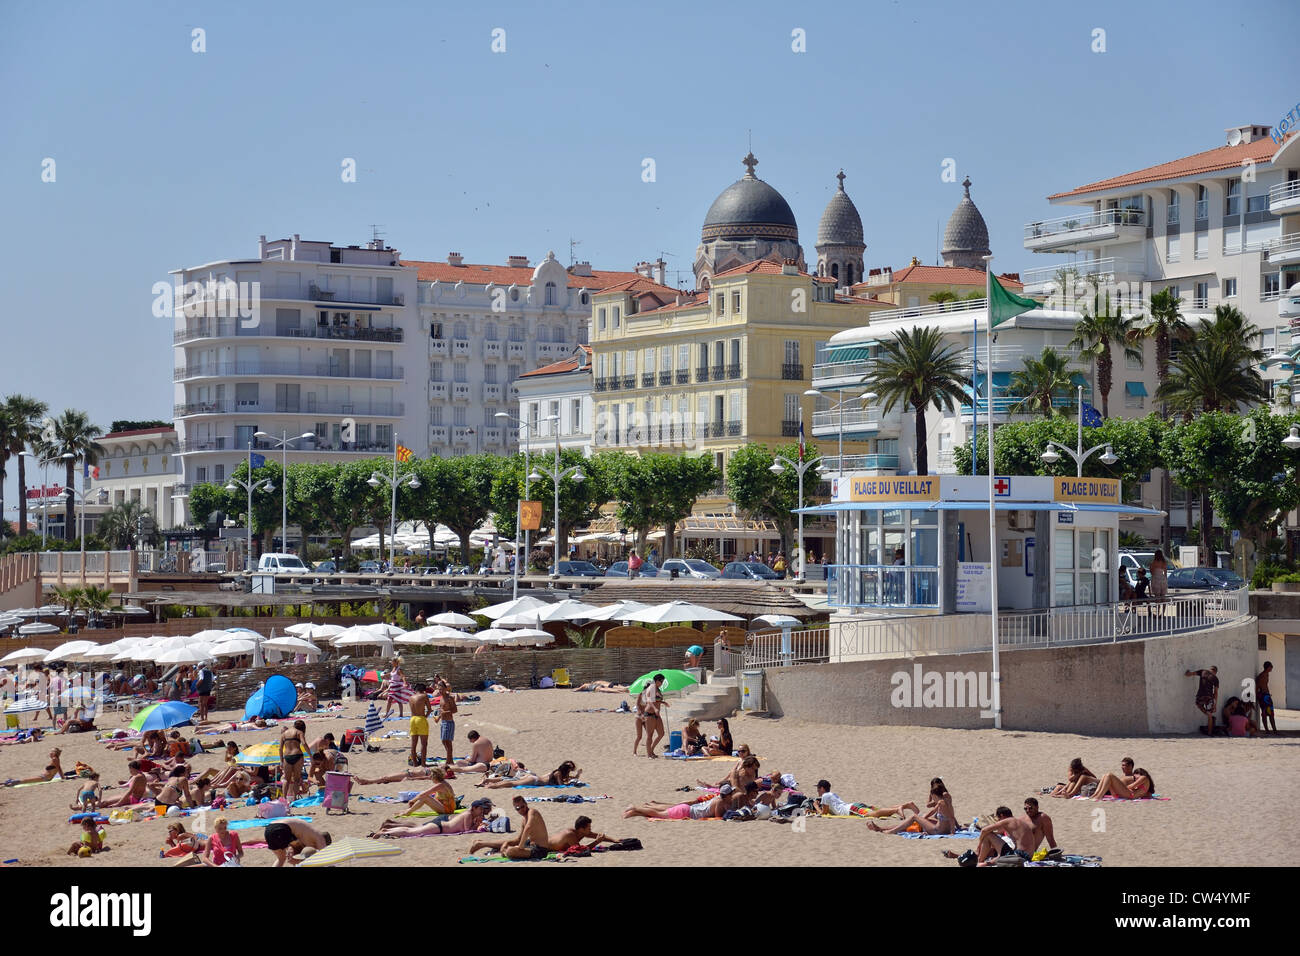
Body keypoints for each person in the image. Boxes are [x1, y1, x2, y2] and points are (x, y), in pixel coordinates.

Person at [973, 799, 1057, 865]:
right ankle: (981, 861)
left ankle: (979, 861)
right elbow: (1001, 832)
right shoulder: (1021, 820)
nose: (1028, 810)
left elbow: (985, 830)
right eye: (1025, 808)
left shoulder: (1042, 817)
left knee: (987, 836)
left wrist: (978, 846)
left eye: (1030, 808)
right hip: (1027, 855)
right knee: (994, 856)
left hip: (1019, 854)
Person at [371, 798, 494, 838]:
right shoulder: (468, 815)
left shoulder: (470, 814)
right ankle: (385, 832)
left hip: (440, 825)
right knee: (410, 832)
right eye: (481, 809)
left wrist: (478, 823)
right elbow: (467, 831)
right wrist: (477, 826)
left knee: (414, 829)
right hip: (439, 827)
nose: (482, 812)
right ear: (475, 807)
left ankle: (387, 829)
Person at [867, 779, 956, 834]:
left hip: (937, 830)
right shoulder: (943, 801)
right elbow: (932, 812)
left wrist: (953, 832)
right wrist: (957, 828)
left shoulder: (941, 803)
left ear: (934, 795)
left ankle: (890, 831)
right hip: (942, 828)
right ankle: (880, 828)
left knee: (913, 817)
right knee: (914, 821)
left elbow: (951, 818)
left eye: (932, 796)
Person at [264, 818, 332, 866]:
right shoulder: (320, 838)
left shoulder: (310, 833)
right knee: (293, 859)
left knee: (281, 859)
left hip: (268, 829)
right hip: (281, 828)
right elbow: (324, 856)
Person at [641, 673, 668, 758]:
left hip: (656, 715)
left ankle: (651, 749)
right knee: (650, 735)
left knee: (661, 733)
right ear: (657, 681)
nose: (662, 683)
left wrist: (663, 702)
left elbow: (656, 700)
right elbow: (649, 700)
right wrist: (655, 708)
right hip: (649, 714)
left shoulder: (657, 688)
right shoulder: (652, 687)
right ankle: (649, 754)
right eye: (662, 681)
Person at [280, 719, 308, 803]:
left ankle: (284, 799)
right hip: (297, 755)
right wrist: (310, 755)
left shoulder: (284, 734)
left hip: (287, 757)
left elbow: (280, 748)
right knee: (296, 779)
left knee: (286, 779)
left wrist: (281, 761)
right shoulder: (299, 732)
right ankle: (295, 798)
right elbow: (304, 743)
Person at [1186, 666, 1219, 735]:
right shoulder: (1216, 678)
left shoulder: (1203, 671)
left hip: (1200, 696)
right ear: (1215, 672)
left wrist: (1187, 673)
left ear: (1210, 669)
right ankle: (1209, 732)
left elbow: (1191, 674)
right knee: (1210, 715)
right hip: (1209, 697)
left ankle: (1207, 713)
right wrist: (1215, 705)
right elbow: (1216, 692)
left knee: (1198, 704)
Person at [435, 677, 458, 765]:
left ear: (445, 688)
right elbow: (441, 711)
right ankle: (450, 759)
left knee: (448, 742)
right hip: (443, 722)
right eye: (438, 689)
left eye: (441, 689)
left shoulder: (449, 698)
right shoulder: (441, 699)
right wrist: (438, 717)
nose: (440, 691)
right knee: (444, 741)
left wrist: (445, 712)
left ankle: (449, 761)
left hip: (449, 722)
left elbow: (455, 710)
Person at [408, 682, 430, 767]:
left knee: (413, 743)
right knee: (424, 744)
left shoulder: (410, 698)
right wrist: (425, 717)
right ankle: (423, 764)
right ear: (423, 690)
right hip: (421, 719)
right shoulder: (424, 696)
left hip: (412, 719)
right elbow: (429, 709)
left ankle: (415, 763)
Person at [1257, 662, 1277, 734]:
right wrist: (1259, 696)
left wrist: (1268, 693)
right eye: (1271, 666)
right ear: (1268, 667)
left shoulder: (1267, 675)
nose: (1272, 668)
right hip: (1263, 696)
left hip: (1267, 695)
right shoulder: (1261, 676)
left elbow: (1265, 685)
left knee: (1271, 712)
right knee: (1265, 713)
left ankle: (1274, 729)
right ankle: (1267, 730)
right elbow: (1258, 686)